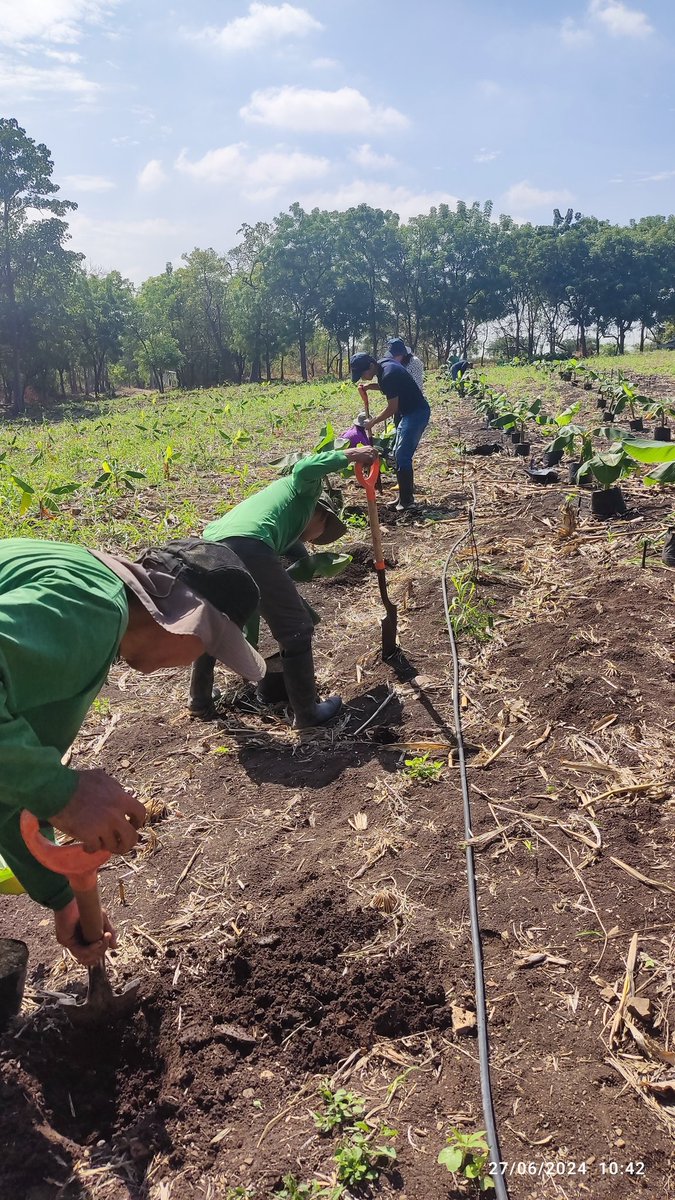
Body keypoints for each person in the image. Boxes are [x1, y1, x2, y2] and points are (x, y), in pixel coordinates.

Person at [0, 536, 264, 966]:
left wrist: (62, 896)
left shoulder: (78, 580)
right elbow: (31, 781)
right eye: (209, 647)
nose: (194, 661)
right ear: (188, 621)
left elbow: (10, 773)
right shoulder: (91, 606)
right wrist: (59, 791)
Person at [189, 444, 377, 727]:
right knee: (296, 629)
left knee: (216, 624)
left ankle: (200, 700)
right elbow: (303, 467)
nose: (312, 541)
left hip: (208, 546)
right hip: (247, 545)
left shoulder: (275, 506)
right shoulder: (306, 492)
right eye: (321, 535)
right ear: (321, 514)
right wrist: (349, 456)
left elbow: (294, 554)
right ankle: (308, 713)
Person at [350, 352, 430, 511]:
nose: (363, 377)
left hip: (416, 413)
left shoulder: (388, 374)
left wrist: (372, 422)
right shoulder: (384, 365)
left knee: (402, 456)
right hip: (408, 412)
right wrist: (370, 387)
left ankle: (407, 501)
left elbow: (392, 408)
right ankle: (402, 497)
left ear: (371, 366)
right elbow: (390, 387)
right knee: (397, 454)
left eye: (363, 374)